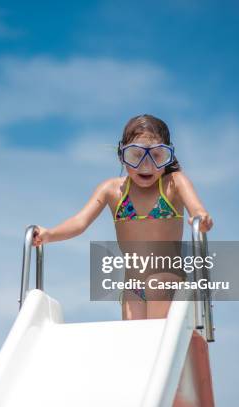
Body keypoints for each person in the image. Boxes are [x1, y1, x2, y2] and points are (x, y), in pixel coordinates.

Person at [32, 114, 213, 320]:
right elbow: (79, 222)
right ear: (122, 156)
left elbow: (197, 210)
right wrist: (49, 234)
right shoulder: (112, 190)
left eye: (157, 156)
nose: (146, 165)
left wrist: (202, 219)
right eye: (136, 155)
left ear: (167, 156)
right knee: (135, 343)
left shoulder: (173, 183)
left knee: (157, 300)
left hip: (168, 280)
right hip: (133, 288)